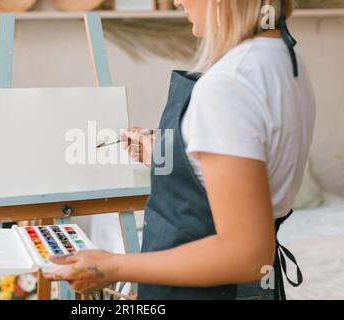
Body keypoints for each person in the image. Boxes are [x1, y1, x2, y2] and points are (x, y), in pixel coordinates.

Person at [43, 0, 315, 300]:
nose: (176, 1)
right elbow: (252, 176)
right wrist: (170, 157)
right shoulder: (284, 60)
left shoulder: (228, 84)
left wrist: (112, 266)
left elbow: (247, 254)